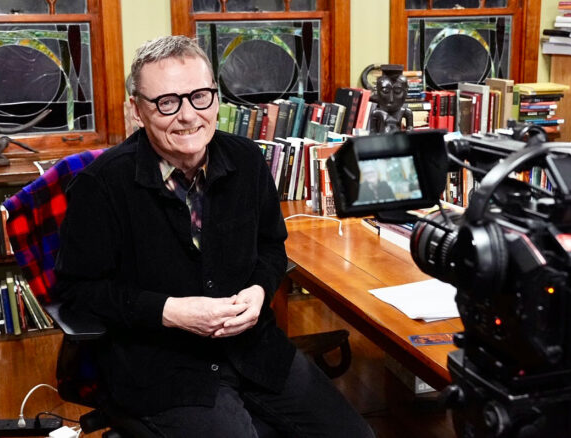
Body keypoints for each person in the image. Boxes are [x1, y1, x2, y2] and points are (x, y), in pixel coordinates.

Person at [55, 36, 374, 438]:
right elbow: (78, 293)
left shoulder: (248, 160)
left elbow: (270, 248)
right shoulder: (100, 186)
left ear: (216, 99)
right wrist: (170, 311)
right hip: (161, 366)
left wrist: (259, 290)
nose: (189, 116)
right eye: (167, 102)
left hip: (253, 350)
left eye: (200, 96)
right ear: (137, 110)